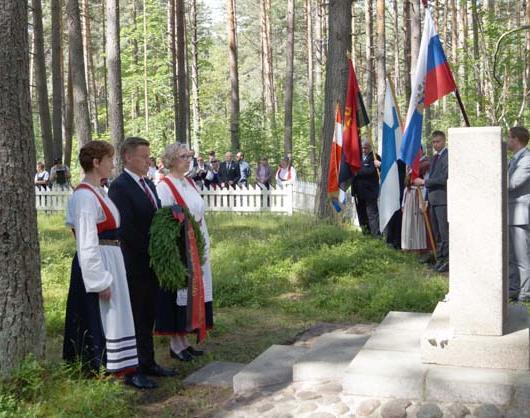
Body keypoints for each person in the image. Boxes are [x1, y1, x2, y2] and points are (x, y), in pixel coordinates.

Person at [63, 141, 140, 385]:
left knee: (114, 314)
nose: (112, 164)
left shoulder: (98, 191)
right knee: (100, 316)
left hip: (111, 258)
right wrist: (98, 280)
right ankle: (101, 366)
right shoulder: (85, 197)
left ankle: (118, 364)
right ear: (96, 163)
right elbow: (86, 241)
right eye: (109, 159)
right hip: (98, 261)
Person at [108, 137, 176, 389]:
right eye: (144, 157)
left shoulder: (147, 184)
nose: (149, 161)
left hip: (151, 263)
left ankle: (148, 362)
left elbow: (154, 219)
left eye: (149, 157)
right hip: (134, 262)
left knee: (148, 313)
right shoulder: (120, 187)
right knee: (136, 315)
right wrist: (151, 251)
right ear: (128, 157)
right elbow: (125, 229)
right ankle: (133, 368)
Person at [155, 142, 213, 361]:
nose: (187, 159)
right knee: (181, 291)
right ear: (171, 160)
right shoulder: (164, 186)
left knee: (196, 288)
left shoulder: (189, 182)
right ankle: (175, 344)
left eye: (189, 155)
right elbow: (165, 220)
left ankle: (186, 341)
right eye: (182, 156)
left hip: (198, 238)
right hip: (181, 244)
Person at [413, 131, 449, 272]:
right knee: (436, 232)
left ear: (444, 140)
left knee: (443, 231)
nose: (435, 144)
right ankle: (439, 258)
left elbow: (443, 179)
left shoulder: (447, 157)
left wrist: (423, 182)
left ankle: (446, 259)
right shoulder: (434, 158)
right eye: (433, 142)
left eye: (438, 141)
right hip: (433, 199)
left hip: (442, 199)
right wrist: (426, 200)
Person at [507, 126, 530, 302]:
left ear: (516, 140)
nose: (508, 141)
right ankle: (514, 289)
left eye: (509, 138)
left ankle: (525, 292)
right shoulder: (514, 159)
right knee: (512, 257)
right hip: (510, 214)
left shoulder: (527, 159)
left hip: (520, 215)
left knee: (522, 257)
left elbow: (513, 183)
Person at [352, 140, 381, 236]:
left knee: (372, 215)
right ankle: (366, 234)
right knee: (362, 215)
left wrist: (357, 170)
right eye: (362, 148)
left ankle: (375, 236)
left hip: (370, 193)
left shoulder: (375, 157)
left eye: (366, 148)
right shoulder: (359, 158)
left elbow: (370, 171)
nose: (364, 150)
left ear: (370, 148)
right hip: (359, 193)